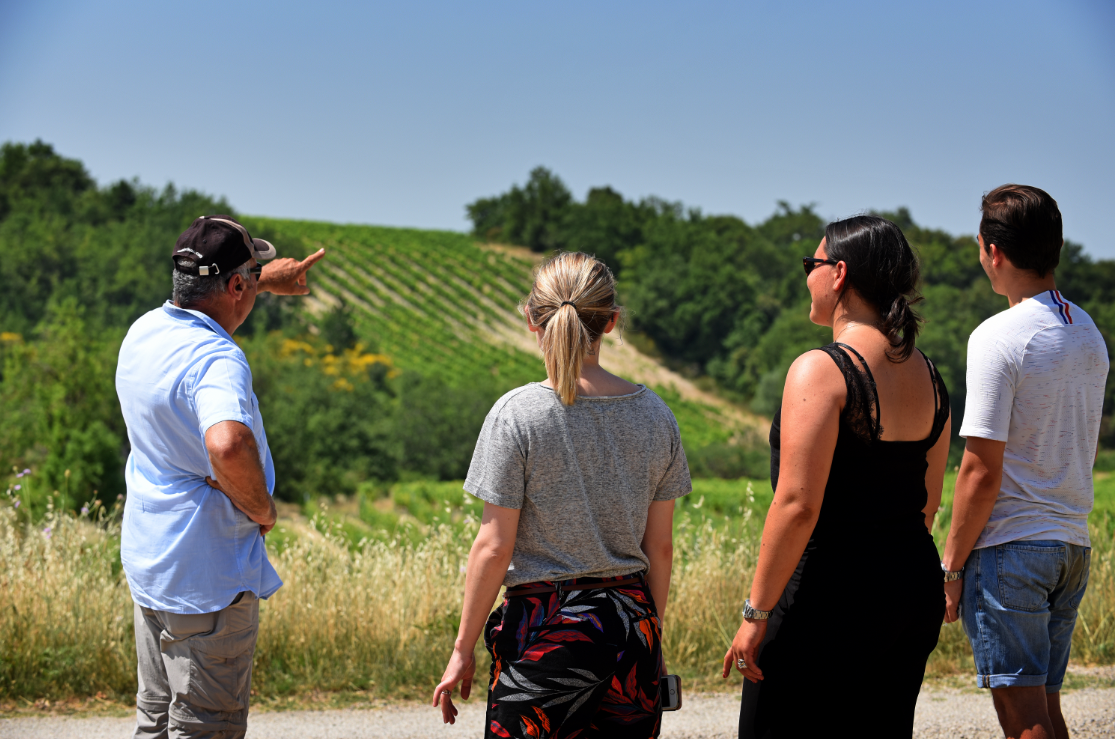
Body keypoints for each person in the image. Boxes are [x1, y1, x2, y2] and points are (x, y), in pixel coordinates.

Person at [431, 252, 691, 738]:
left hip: (547, 632)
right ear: (611, 322)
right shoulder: (657, 415)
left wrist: (462, 648)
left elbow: (494, 546)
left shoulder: (518, 415)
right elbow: (660, 548)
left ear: (531, 318)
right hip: (632, 626)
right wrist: (649, 640)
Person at [724, 216, 952, 737]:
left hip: (831, 595)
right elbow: (928, 503)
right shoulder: (931, 376)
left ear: (839, 273)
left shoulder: (821, 370)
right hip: (910, 590)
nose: (806, 275)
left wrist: (754, 614)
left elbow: (796, 506)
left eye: (812, 263)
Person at [116, 215, 324, 739]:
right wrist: (262, 508)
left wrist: (266, 282)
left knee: (156, 724)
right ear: (235, 285)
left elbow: (206, 312)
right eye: (250, 273)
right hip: (206, 578)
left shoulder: (145, 330)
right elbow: (228, 443)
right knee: (207, 729)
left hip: (153, 564)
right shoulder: (218, 359)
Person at [942, 185, 1108, 739]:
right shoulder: (1088, 333)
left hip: (1011, 548)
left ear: (993, 251)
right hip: (1070, 544)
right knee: (1048, 710)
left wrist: (951, 565)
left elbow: (980, 469)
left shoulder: (997, 337)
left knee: (1023, 721)